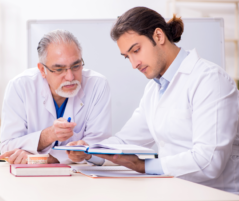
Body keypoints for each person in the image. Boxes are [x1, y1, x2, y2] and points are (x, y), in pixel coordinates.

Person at [67, 7, 239, 194]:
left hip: (215, 194)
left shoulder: (209, 80)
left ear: (158, 36)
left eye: (136, 50)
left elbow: (209, 162)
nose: (134, 64)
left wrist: (144, 166)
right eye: (128, 57)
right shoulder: (154, 89)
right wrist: (90, 151)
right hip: (175, 191)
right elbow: (126, 141)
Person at [0, 30, 112, 164]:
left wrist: (83, 154)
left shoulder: (97, 85)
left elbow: (100, 149)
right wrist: (47, 136)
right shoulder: (20, 86)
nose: (70, 77)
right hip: (30, 177)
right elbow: (7, 147)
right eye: (59, 69)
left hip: (78, 177)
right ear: (42, 70)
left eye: (76, 66)